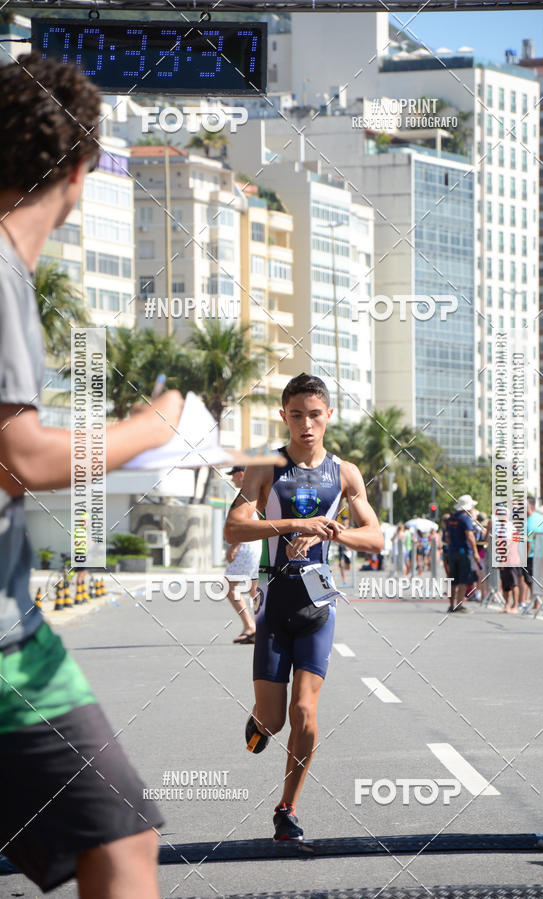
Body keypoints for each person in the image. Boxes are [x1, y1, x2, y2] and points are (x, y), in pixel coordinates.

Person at [0, 54, 186, 896]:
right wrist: (153, 425)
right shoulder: (1, 272)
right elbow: (24, 454)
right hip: (6, 648)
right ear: (82, 169)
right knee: (123, 838)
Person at [224, 373, 383, 842]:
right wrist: (292, 524)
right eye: (296, 416)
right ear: (284, 416)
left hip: (318, 606)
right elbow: (235, 527)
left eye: (315, 415)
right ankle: (258, 720)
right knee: (273, 721)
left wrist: (330, 532)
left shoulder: (346, 472)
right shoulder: (265, 468)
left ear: (328, 415)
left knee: (305, 713)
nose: (306, 425)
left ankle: (287, 807)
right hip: (274, 606)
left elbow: (374, 537)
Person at [224, 466, 261, 643]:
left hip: (247, 545)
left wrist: (234, 546)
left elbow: (245, 522)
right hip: (257, 545)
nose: (232, 480)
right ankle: (261, 625)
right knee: (255, 589)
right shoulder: (257, 492)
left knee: (228, 586)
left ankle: (250, 625)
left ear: (241, 475)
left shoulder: (247, 495)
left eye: (233, 476)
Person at [445, 495, 482, 613]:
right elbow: (470, 536)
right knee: (463, 580)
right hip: (463, 552)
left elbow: (447, 536)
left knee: (453, 580)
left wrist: (452, 546)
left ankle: (451, 605)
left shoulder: (451, 518)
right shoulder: (466, 518)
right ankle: (459, 605)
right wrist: (475, 552)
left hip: (452, 552)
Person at [518, 496, 543, 612]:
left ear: (531, 507)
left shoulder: (529, 522)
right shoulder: (539, 518)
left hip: (530, 555)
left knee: (529, 580)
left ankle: (534, 601)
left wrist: (523, 557)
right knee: (534, 578)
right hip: (540, 553)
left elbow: (528, 542)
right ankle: (535, 602)